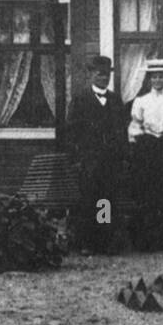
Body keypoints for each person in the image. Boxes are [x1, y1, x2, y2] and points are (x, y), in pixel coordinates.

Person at [65, 55, 130, 255]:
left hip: (110, 161)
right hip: (89, 161)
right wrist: (76, 159)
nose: (103, 78)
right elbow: (72, 132)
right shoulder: (80, 99)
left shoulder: (115, 100)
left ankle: (105, 241)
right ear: (91, 74)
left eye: (106, 75)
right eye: (99, 74)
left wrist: (122, 156)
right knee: (88, 201)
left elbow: (121, 131)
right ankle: (87, 242)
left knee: (107, 201)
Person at [128, 58, 163, 250]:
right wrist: (142, 142)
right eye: (154, 77)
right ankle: (146, 241)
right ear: (149, 79)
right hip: (148, 149)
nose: (157, 80)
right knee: (147, 193)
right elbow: (135, 127)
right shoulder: (142, 101)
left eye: (161, 77)